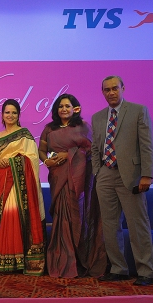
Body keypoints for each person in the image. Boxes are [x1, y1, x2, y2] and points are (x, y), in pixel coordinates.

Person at [92, 76, 153, 286]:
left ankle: (145, 271)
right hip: (106, 175)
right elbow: (95, 148)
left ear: (123, 88)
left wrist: (147, 174)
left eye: (115, 88)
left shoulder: (138, 110)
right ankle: (119, 269)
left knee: (138, 224)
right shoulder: (98, 117)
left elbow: (146, 144)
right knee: (110, 225)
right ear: (103, 92)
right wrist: (97, 172)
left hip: (132, 176)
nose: (111, 93)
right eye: (107, 90)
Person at [39, 94, 106, 278]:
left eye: (67, 106)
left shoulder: (82, 126)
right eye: (60, 106)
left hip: (78, 177)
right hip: (57, 176)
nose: (64, 109)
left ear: (75, 108)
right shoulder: (49, 128)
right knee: (61, 215)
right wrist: (47, 161)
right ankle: (61, 260)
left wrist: (69, 155)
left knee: (77, 214)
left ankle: (78, 260)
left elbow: (92, 150)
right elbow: (41, 151)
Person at [0, 99, 45, 275]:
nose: (10, 115)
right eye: (7, 112)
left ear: (18, 115)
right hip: (3, 179)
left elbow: (32, 158)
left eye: (14, 112)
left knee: (15, 215)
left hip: (19, 183)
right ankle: (7, 258)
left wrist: (12, 161)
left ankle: (21, 259)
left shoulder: (24, 134)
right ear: (2, 115)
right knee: (5, 215)